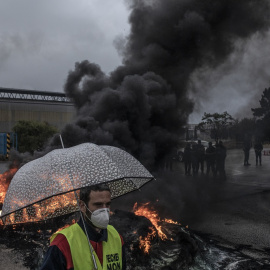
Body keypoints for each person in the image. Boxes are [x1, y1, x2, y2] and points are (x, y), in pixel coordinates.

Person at [40, 184, 126, 270]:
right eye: (98, 205)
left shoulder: (116, 237)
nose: (104, 210)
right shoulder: (63, 243)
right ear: (82, 206)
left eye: (107, 204)